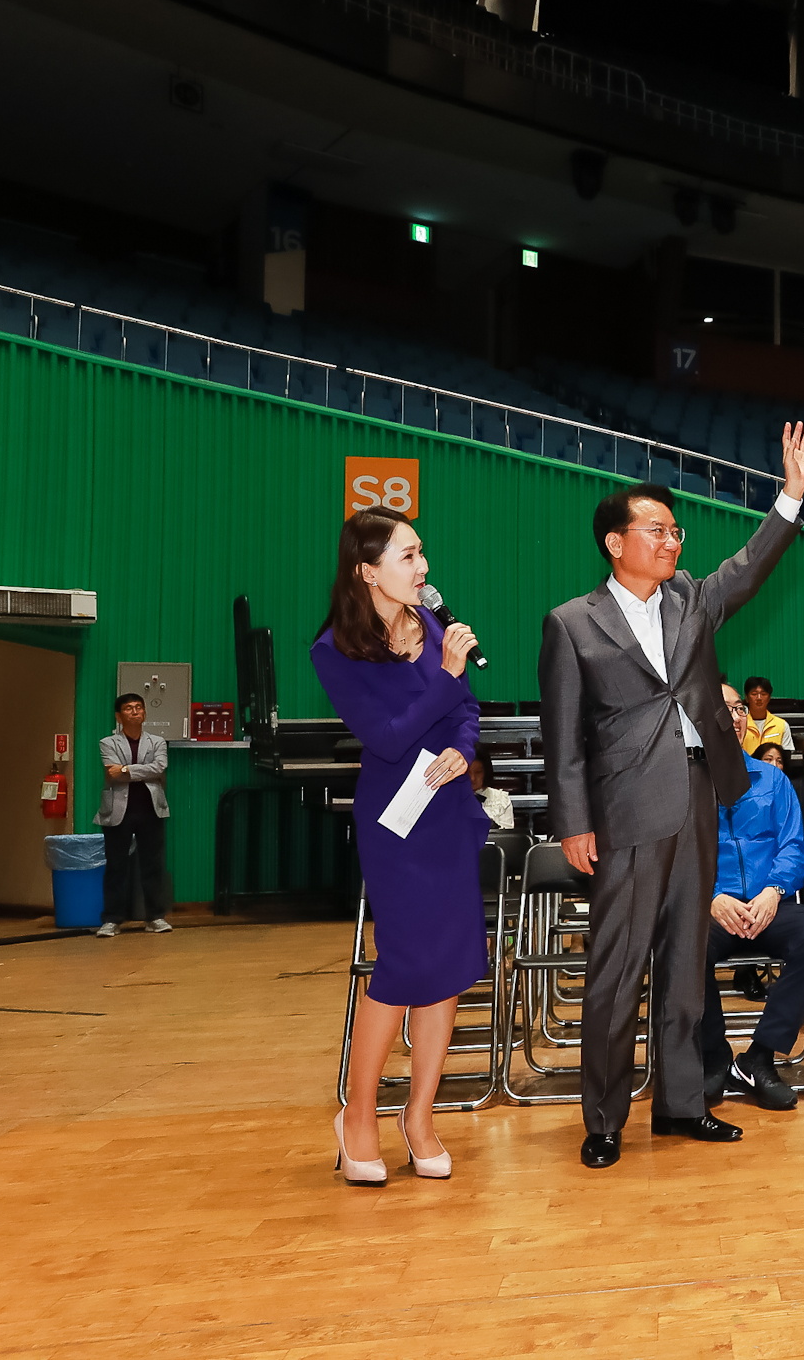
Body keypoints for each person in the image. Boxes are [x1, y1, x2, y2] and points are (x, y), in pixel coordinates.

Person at [537, 421, 804, 1170]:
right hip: (624, 812)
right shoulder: (572, 623)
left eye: (675, 530)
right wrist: (572, 822)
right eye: (656, 530)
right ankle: (603, 1118)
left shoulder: (692, 599)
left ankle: (683, 1104)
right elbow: (561, 734)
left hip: (699, 797)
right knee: (615, 970)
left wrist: (790, 494)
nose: (671, 542)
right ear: (615, 542)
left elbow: (750, 566)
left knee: (686, 968)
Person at [310, 506, 488, 1185]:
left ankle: (419, 1115)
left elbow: (466, 709)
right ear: (368, 570)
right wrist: (442, 675)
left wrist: (460, 750)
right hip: (395, 823)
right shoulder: (334, 650)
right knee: (404, 963)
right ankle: (358, 1114)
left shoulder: (433, 626)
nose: (424, 567)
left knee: (447, 967)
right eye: (409, 555)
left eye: (422, 553)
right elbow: (385, 736)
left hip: (445, 812)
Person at [700, 683, 804, 1112]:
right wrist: (712, 897)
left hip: (769, 904)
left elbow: (794, 846)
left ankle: (759, 1057)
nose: (735, 717)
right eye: (724, 709)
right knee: (682, 947)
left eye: (739, 709)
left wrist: (773, 893)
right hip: (712, 910)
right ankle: (713, 1056)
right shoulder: (682, 783)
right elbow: (674, 858)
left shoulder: (772, 778)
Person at [94, 692, 174, 938]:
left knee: (152, 866)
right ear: (119, 716)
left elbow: (160, 767)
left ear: (145, 713)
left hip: (151, 810)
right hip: (117, 811)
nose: (135, 711)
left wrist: (127, 769)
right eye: (129, 708)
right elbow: (112, 774)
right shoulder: (108, 742)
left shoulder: (158, 742)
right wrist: (145, 772)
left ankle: (155, 917)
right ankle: (111, 920)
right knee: (116, 866)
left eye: (139, 707)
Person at [739, 676, 794, 755]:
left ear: (769, 697)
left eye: (763, 694)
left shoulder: (781, 725)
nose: (759, 698)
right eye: (754, 694)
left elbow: (787, 755)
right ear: (746, 697)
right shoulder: (739, 724)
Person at [467, 749, 513, 830]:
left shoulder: (501, 800)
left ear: (486, 772)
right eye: (467, 772)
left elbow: (507, 838)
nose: (472, 778)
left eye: (478, 772)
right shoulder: (446, 799)